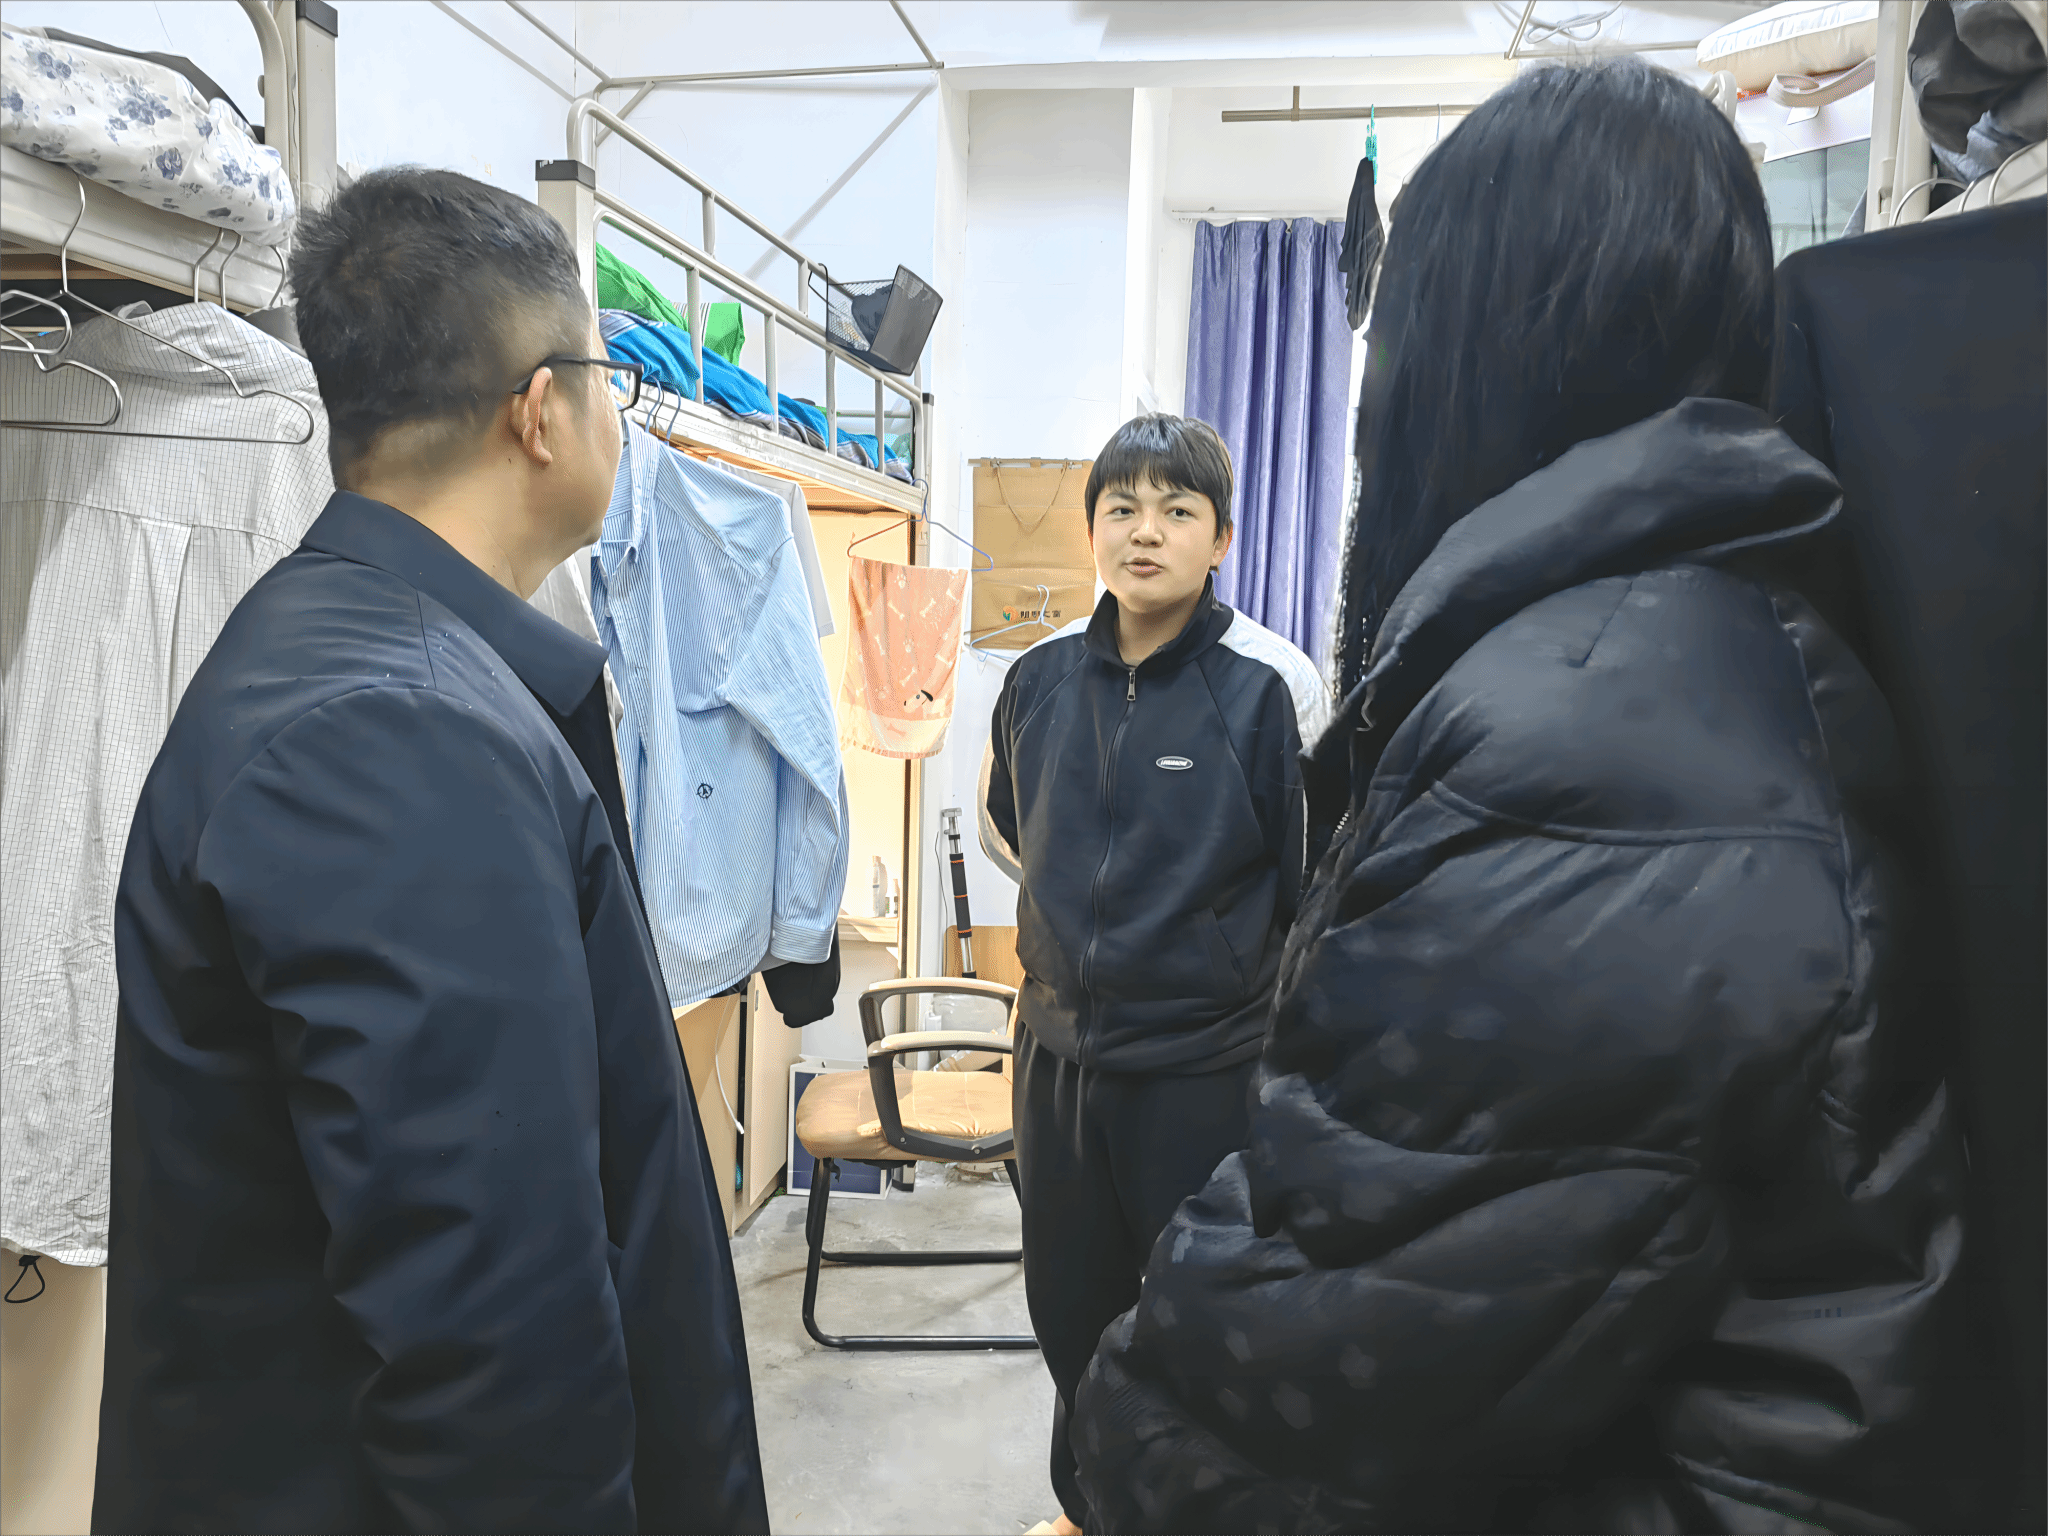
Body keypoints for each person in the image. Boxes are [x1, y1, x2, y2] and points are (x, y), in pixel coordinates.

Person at [1072, 60, 1990, 1534]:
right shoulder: (1676, 650)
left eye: (1394, 336)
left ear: (1475, 350)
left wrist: (1111, 1440)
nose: (1368, 412)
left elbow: (1336, 1347)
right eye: (1118, 506)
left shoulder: (1590, 744)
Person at [95, 168, 768, 1535]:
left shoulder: (379, 663)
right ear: (541, 410)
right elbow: (489, 1327)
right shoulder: (394, 726)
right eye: (614, 385)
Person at [979, 414, 1329, 1536]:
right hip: (1057, 1057)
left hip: (1204, 1065)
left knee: (1200, 1315)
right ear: (1091, 528)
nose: (1145, 532)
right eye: (1121, 508)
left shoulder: (1271, 684)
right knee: (1068, 1309)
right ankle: (1088, 1510)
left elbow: (1313, 880)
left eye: (1177, 511)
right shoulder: (1036, 676)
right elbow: (1007, 827)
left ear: (1219, 539)